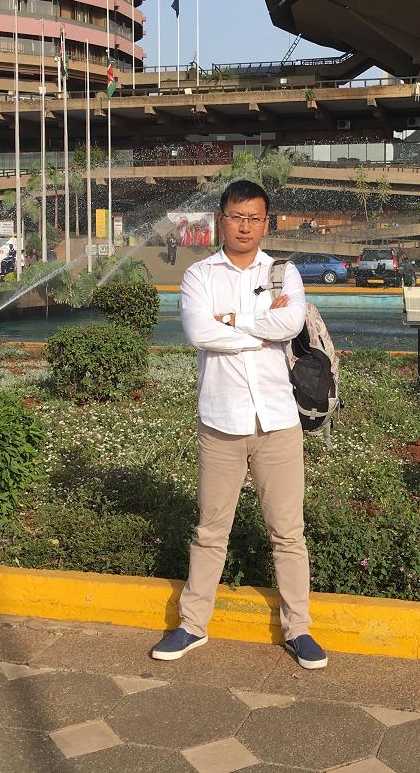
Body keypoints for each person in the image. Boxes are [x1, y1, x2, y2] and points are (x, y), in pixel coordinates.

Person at [151, 179, 327, 670]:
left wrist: (231, 321)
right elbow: (198, 332)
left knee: (288, 533)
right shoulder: (199, 275)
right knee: (210, 531)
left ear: (266, 223)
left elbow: (291, 324)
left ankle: (299, 628)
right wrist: (258, 328)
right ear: (220, 220)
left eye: (253, 218)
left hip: (278, 421)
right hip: (221, 422)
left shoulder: (283, 273)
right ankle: (192, 625)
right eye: (236, 216)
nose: (244, 226)